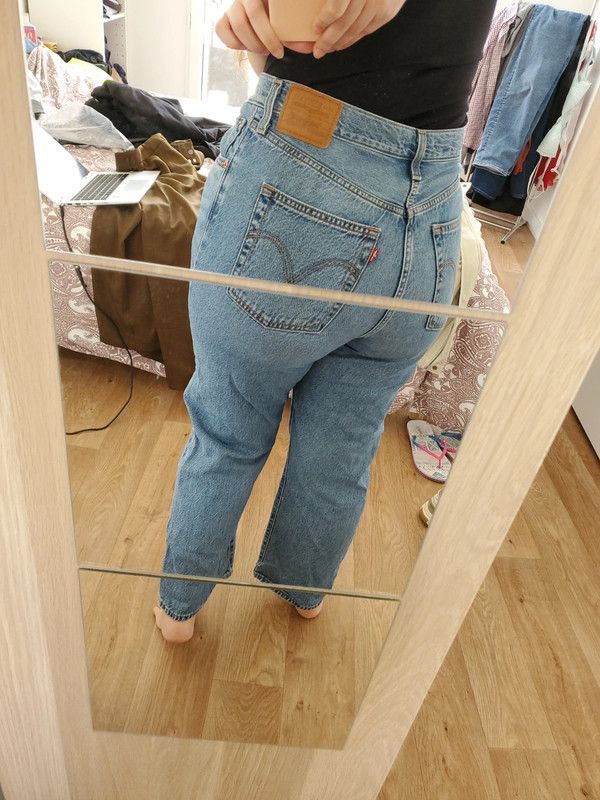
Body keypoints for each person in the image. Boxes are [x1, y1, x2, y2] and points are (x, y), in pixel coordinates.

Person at [154, 0, 496, 643]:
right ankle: (305, 588)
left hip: (301, 176)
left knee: (229, 427)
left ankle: (180, 606)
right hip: (432, 219)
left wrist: (251, 35)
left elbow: (276, 50)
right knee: (343, 443)